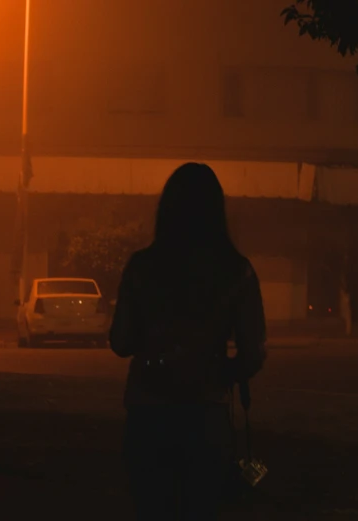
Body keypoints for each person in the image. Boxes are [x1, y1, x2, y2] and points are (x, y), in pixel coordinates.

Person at [110, 162, 267, 520]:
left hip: (148, 412)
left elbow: (120, 341)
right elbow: (253, 351)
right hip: (206, 413)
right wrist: (220, 371)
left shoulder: (143, 267)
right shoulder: (235, 270)